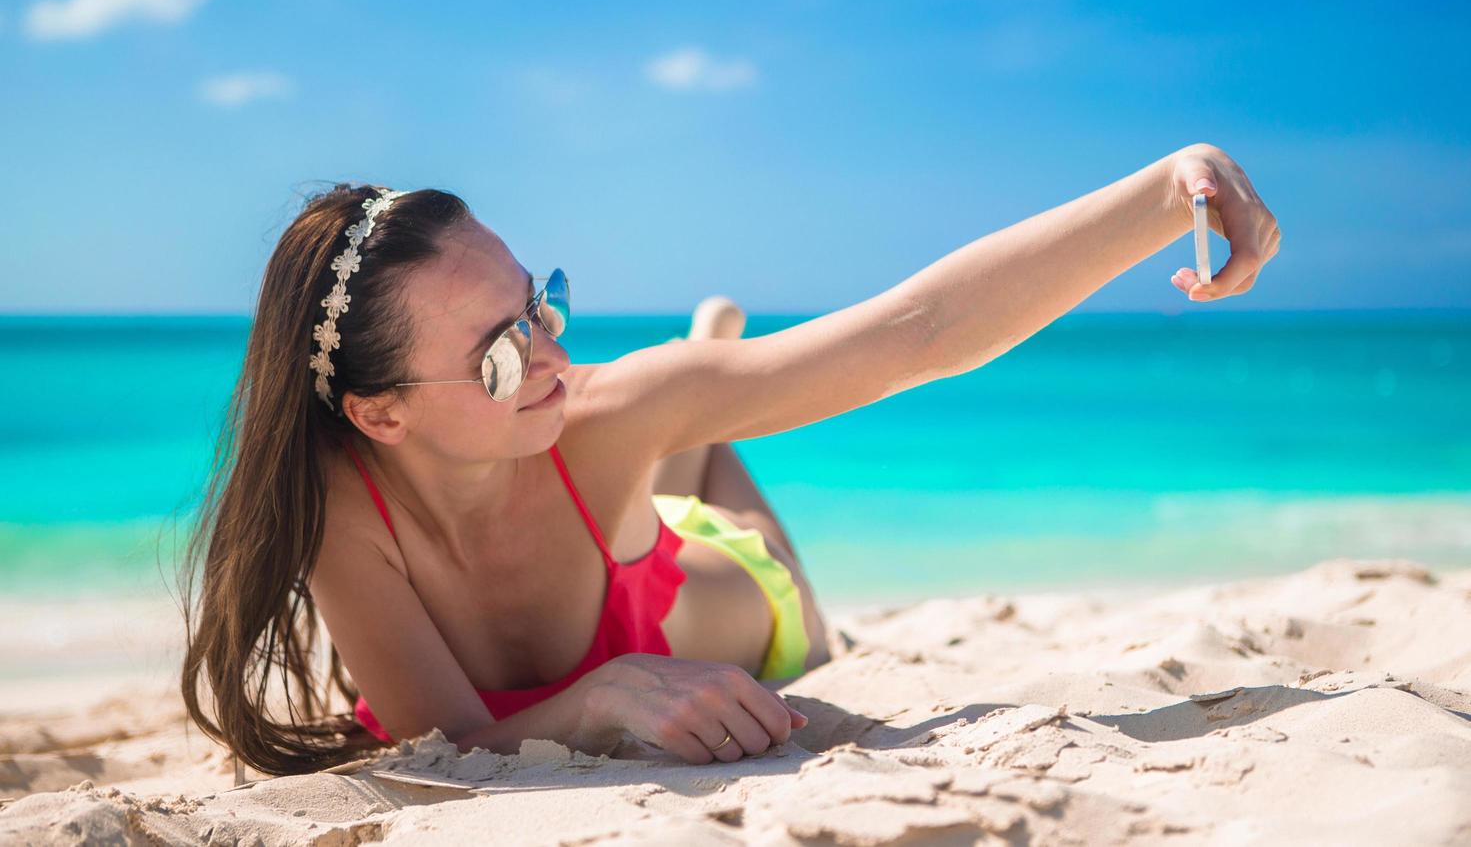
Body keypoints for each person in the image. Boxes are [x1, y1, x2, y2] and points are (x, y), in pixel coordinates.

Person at [178, 143, 1279, 776]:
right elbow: (453, 738)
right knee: (674, 410)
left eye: (542, 303)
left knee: (705, 483)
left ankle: (711, 379)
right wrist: (598, 693)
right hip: (616, 524)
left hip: (711, 580)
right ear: (378, 415)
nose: (554, 351)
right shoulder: (336, 502)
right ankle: (713, 371)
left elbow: (915, 333)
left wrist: (1158, 194)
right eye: (503, 353)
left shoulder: (594, 404)